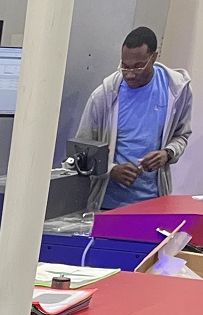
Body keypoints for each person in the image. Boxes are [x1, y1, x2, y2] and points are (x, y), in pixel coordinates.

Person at [74, 26, 192, 209]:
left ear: (154, 57)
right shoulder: (104, 96)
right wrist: (111, 170)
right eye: (125, 66)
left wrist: (167, 153)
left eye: (138, 66)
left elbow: (181, 135)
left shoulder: (176, 92)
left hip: (154, 202)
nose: (129, 74)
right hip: (108, 203)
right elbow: (81, 151)